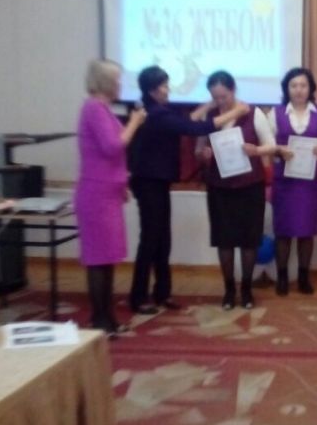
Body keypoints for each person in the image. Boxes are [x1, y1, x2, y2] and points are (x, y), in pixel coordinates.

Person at [127, 65, 249, 314]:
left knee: (162, 238)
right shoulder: (155, 113)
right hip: (148, 183)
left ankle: (162, 293)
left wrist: (207, 106)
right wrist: (236, 111)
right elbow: (196, 129)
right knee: (150, 239)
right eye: (164, 86)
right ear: (152, 90)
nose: (168, 89)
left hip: (158, 182)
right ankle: (138, 297)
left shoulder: (157, 111)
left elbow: (184, 122)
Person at [74, 59, 145, 337]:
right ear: (104, 82)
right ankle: (100, 320)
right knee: (98, 259)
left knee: (107, 258)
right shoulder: (93, 108)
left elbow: (111, 156)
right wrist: (135, 122)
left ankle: (108, 318)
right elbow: (113, 146)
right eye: (117, 80)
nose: (120, 85)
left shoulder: (102, 109)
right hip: (95, 195)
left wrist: (121, 182)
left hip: (107, 193)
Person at [200, 70, 276, 310]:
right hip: (219, 187)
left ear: (233, 90)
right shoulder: (210, 116)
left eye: (224, 96)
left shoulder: (253, 113)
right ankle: (229, 290)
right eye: (216, 97)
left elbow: (271, 146)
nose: (220, 101)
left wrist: (256, 151)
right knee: (224, 240)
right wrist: (204, 154)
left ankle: (246, 290)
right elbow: (198, 149)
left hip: (250, 185)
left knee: (249, 240)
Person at [268, 67, 317, 295]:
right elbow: (268, 146)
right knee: (283, 231)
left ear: (310, 88)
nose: (298, 90)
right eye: (293, 85)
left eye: (303, 85)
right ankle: (282, 278)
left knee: (307, 230)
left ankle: (304, 277)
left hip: (309, 182)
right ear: (287, 89)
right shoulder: (275, 113)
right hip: (284, 181)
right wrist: (279, 150)